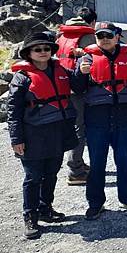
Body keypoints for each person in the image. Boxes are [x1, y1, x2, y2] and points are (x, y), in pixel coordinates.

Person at [7, 32, 78, 239]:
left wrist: (82, 71)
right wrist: (16, 139)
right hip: (33, 134)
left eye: (46, 48)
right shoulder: (21, 77)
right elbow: (13, 111)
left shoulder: (59, 69)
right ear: (29, 53)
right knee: (33, 177)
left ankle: (46, 208)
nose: (43, 52)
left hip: (57, 131)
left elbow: (79, 85)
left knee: (52, 172)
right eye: (37, 49)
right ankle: (30, 216)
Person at [72, 21, 127, 220]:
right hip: (97, 121)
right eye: (100, 35)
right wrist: (80, 73)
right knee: (97, 163)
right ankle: (95, 203)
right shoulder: (86, 59)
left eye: (108, 35)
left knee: (123, 161)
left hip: (122, 119)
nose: (104, 39)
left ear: (117, 36)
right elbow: (77, 89)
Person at [56, 7, 97, 186]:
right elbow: (95, 62)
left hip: (62, 85)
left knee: (72, 126)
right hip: (79, 89)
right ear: (92, 22)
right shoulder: (87, 36)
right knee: (79, 129)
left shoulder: (63, 36)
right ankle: (75, 171)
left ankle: (78, 162)